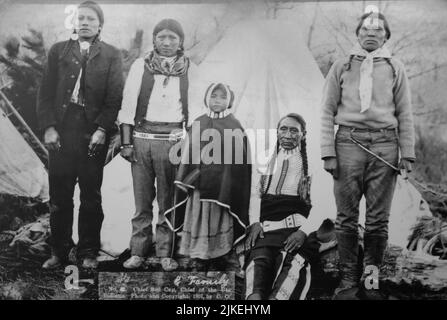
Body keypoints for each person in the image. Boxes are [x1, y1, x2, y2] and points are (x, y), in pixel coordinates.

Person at [320, 12, 415, 299]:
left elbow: (405, 114)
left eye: (378, 29)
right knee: (346, 218)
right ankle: (348, 280)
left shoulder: (395, 67)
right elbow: (326, 111)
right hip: (347, 143)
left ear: (386, 35)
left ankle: (370, 280)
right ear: (358, 34)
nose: (371, 33)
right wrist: (328, 152)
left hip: (386, 145)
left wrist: (407, 154)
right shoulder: (342, 65)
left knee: (377, 220)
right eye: (365, 29)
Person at [37, 1, 124, 269]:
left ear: (100, 25)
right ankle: (59, 252)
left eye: (91, 19)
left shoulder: (111, 54)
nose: (84, 22)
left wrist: (101, 130)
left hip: (92, 133)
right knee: (60, 196)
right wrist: (49, 127)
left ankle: (87, 251)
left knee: (90, 195)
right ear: (73, 23)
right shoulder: (58, 51)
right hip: (62, 131)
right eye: (80, 18)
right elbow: (46, 92)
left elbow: (114, 97)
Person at [118, 19, 191, 271]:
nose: (167, 42)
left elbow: (196, 108)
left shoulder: (191, 68)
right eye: (162, 37)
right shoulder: (142, 65)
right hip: (142, 140)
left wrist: (189, 142)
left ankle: (165, 252)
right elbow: (128, 103)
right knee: (142, 200)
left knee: (168, 200)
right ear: (154, 39)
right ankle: (138, 250)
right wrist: (126, 142)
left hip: (172, 142)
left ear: (181, 41)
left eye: (173, 37)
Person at [164, 83, 251, 272]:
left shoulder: (234, 125)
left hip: (223, 188)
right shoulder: (198, 123)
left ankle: (220, 254)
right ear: (206, 99)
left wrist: (228, 180)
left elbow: (240, 161)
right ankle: (199, 255)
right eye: (213, 96)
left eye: (222, 97)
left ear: (229, 101)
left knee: (219, 217)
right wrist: (191, 176)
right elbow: (188, 155)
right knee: (199, 217)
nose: (217, 100)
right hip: (199, 187)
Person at [244, 113, 319, 300]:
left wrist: (303, 232)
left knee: (292, 269)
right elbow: (255, 194)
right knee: (257, 268)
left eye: (294, 130)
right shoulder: (265, 161)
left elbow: (324, 204)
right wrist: (255, 223)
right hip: (267, 231)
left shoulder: (313, 165)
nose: (287, 134)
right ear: (277, 132)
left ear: (303, 134)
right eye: (283, 129)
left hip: (298, 231)